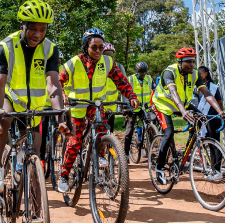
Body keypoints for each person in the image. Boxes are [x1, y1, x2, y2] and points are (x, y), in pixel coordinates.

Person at [0, 0, 68, 192]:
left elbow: (53, 83)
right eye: (32, 29)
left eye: (43, 29)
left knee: (35, 152)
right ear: (22, 25)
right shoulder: (4, 47)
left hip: (35, 106)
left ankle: (36, 212)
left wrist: (60, 117)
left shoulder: (51, 49)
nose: (38, 34)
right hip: (10, 98)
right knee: (3, 119)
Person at [57, 28, 138, 193]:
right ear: (86, 46)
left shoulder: (107, 62)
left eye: (101, 48)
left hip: (95, 104)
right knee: (75, 142)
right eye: (94, 47)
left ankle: (100, 154)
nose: (99, 51)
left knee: (102, 125)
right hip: (77, 105)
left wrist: (131, 96)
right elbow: (58, 81)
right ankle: (64, 175)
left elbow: (121, 81)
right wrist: (63, 95)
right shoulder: (75, 62)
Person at [151, 47, 225, 185]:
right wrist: (184, 111)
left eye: (193, 61)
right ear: (179, 62)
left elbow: (207, 93)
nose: (191, 65)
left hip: (183, 104)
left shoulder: (195, 74)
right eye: (188, 62)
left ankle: (186, 157)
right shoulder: (169, 72)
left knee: (202, 120)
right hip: (163, 105)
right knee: (168, 133)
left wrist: (220, 111)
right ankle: (160, 168)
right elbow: (173, 92)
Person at [124, 61, 155, 156]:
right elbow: (125, 93)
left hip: (144, 108)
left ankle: (149, 147)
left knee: (151, 126)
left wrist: (154, 103)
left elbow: (155, 91)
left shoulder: (149, 79)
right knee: (129, 131)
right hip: (132, 108)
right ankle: (126, 154)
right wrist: (126, 107)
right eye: (141, 71)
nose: (143, 73)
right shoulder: (130, 79)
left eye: (145, 71)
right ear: (137, 71)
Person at [101, 42, 125, 133]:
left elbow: (124, 86)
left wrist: (126, 103)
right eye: (107, 56)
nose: (109, 59)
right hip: (97, 104)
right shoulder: (95, 66)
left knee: (110, 130)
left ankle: (109, 146)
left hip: (111, 105)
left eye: (111, 57)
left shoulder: (118, 67)